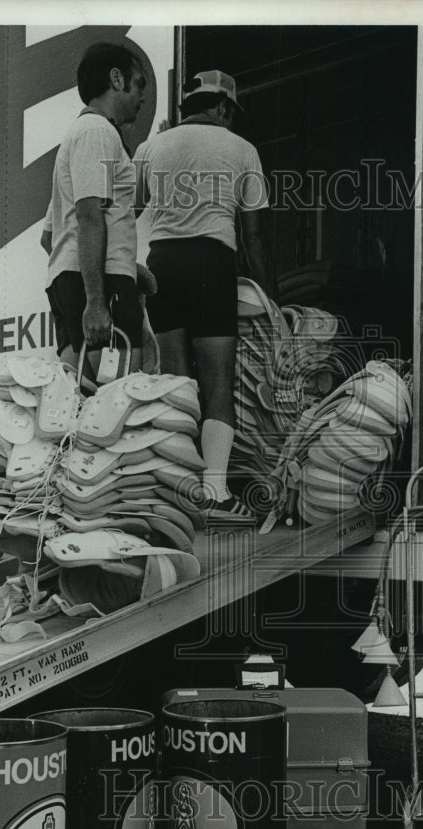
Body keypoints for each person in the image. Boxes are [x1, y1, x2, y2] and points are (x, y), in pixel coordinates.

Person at [134, 70, 274, 518]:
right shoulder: (243, 149)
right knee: (217, 382)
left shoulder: (151, 147)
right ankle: (215, 494)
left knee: (177, 382)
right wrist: (271, 302)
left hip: (161, 264)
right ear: (224, 107)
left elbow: (131, 207)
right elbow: (253, 238)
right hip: (211, 262)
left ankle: (180, 493)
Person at [42, 42, 148, 374]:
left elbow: (50, 236)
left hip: (70, 277)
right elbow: (89, 214)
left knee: (79, 399)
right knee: (119, 398)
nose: (142, 97)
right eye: (139, 83)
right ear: (117, 79)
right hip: (102, 283)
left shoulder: (81, 136)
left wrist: (133, 268)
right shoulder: (96, 131)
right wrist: (96, 301)